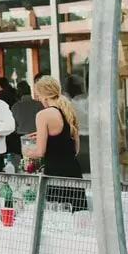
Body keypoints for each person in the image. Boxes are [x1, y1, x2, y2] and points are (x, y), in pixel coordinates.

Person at [23, 75, 87, 211]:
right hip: (74, 171)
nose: (38, 99)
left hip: (55, 174)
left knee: (57, 218)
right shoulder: (69, 111)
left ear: (44, 95)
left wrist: (26, 152)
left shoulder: (43, 115)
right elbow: (75, 148)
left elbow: (40, 152)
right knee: (77, 217)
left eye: (38, 96)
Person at [10, 81, 43, 156]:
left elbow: (13, 128)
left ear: (18, 93)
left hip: (21, 138)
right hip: (38, 137)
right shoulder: (40, 105)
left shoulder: (15, 107)